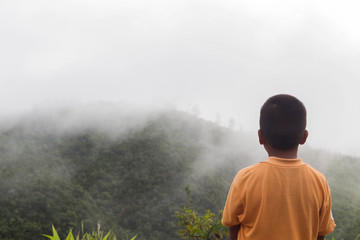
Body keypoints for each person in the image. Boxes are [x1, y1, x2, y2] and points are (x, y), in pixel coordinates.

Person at [222, 94, 336, 240]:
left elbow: (232, 224)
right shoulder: (319, 181)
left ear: (260, 136)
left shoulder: (245, 178)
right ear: (304, 137)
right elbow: (321, 232)